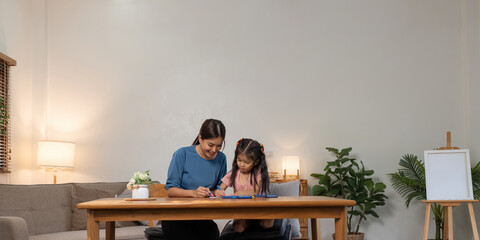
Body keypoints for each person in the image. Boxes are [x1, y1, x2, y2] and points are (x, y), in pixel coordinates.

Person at [162, 119, 227, 240]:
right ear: (200, 138)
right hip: (176, 216)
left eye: (219, 146)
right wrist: (193, 193)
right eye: (210, 145)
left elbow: (216, 191)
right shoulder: (182, 154)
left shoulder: (221, 159)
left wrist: (217, 192)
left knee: (213, 233)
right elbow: (170, 190)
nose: (214, 150)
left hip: (202, 216)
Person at [217, 138, 272, 233]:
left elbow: (255, 191)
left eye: (246, 162)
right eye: (239, 160)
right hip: (242, 209)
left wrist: (240, 193)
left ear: (256, 162)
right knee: (239, 228)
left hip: (259, 207)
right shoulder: (234, 173)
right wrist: (219, 192)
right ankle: (249, 221)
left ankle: (256, 220)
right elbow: (220, 188)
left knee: (267, 224)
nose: (242, 165)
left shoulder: (258, 172)